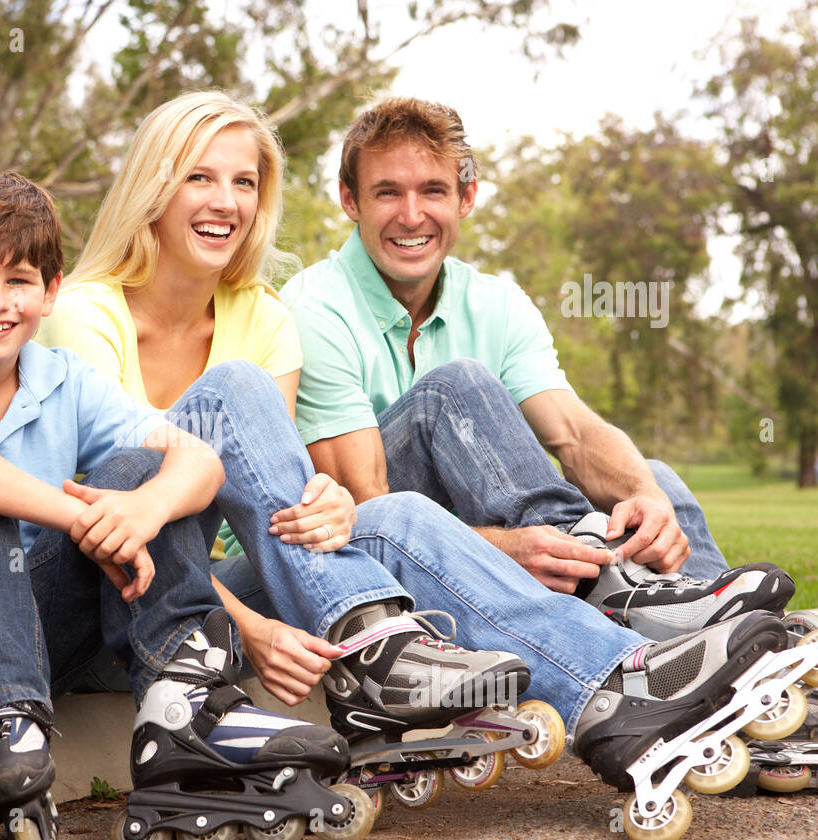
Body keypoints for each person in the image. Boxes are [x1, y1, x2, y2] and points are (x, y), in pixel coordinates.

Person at [40, 90, 808, 840]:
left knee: (653, 482)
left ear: (466, 197)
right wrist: (260, 621)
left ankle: (730, 677)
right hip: (143, 605)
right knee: (402, 478)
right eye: (198, 177)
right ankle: (616, 673)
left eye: (244, 182)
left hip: (276, 579)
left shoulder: (260, 316)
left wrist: (333, 509)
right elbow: (105, 517)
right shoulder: (90, 314)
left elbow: (285, 492)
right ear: (153, 186)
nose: (226, 201)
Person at [0, 170, 379, 840]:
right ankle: (7, 721)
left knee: (139, 470)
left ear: (50, 292)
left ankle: (179, 706)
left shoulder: (66, 379)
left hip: (47, 627)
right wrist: (76, 518)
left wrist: (142, 507)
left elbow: (199, 458)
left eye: (17, 282)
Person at [280, 95, 793, 638]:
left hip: (448, 524)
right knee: (454, 388)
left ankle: (738, 634)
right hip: (334, 556)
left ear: (466, 197)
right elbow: (369, 508)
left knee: (649, 483)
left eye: (433, 190)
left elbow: (573, 432)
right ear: (350, 200)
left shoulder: (496, 302)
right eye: (388, 193)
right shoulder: (314, 307)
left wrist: (648, 498)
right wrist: (503, 549)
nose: (411, 215)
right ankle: (613, 584)